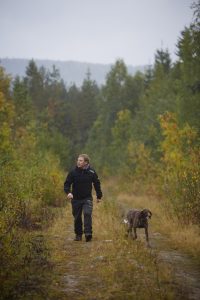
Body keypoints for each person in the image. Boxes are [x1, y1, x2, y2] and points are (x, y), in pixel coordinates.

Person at [64, 154, 103, 242]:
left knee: (87, 213)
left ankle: (88, 234)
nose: (78, 162)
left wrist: (99, 196)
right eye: (78, 160)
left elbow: (97, 184)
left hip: (87, 198)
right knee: (77, 217)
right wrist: (68, 192)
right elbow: (66, 184)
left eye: (81, 160)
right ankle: (78, 234)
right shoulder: (73, 172)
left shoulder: (92, 172)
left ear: (86, 162)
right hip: (76, 199)